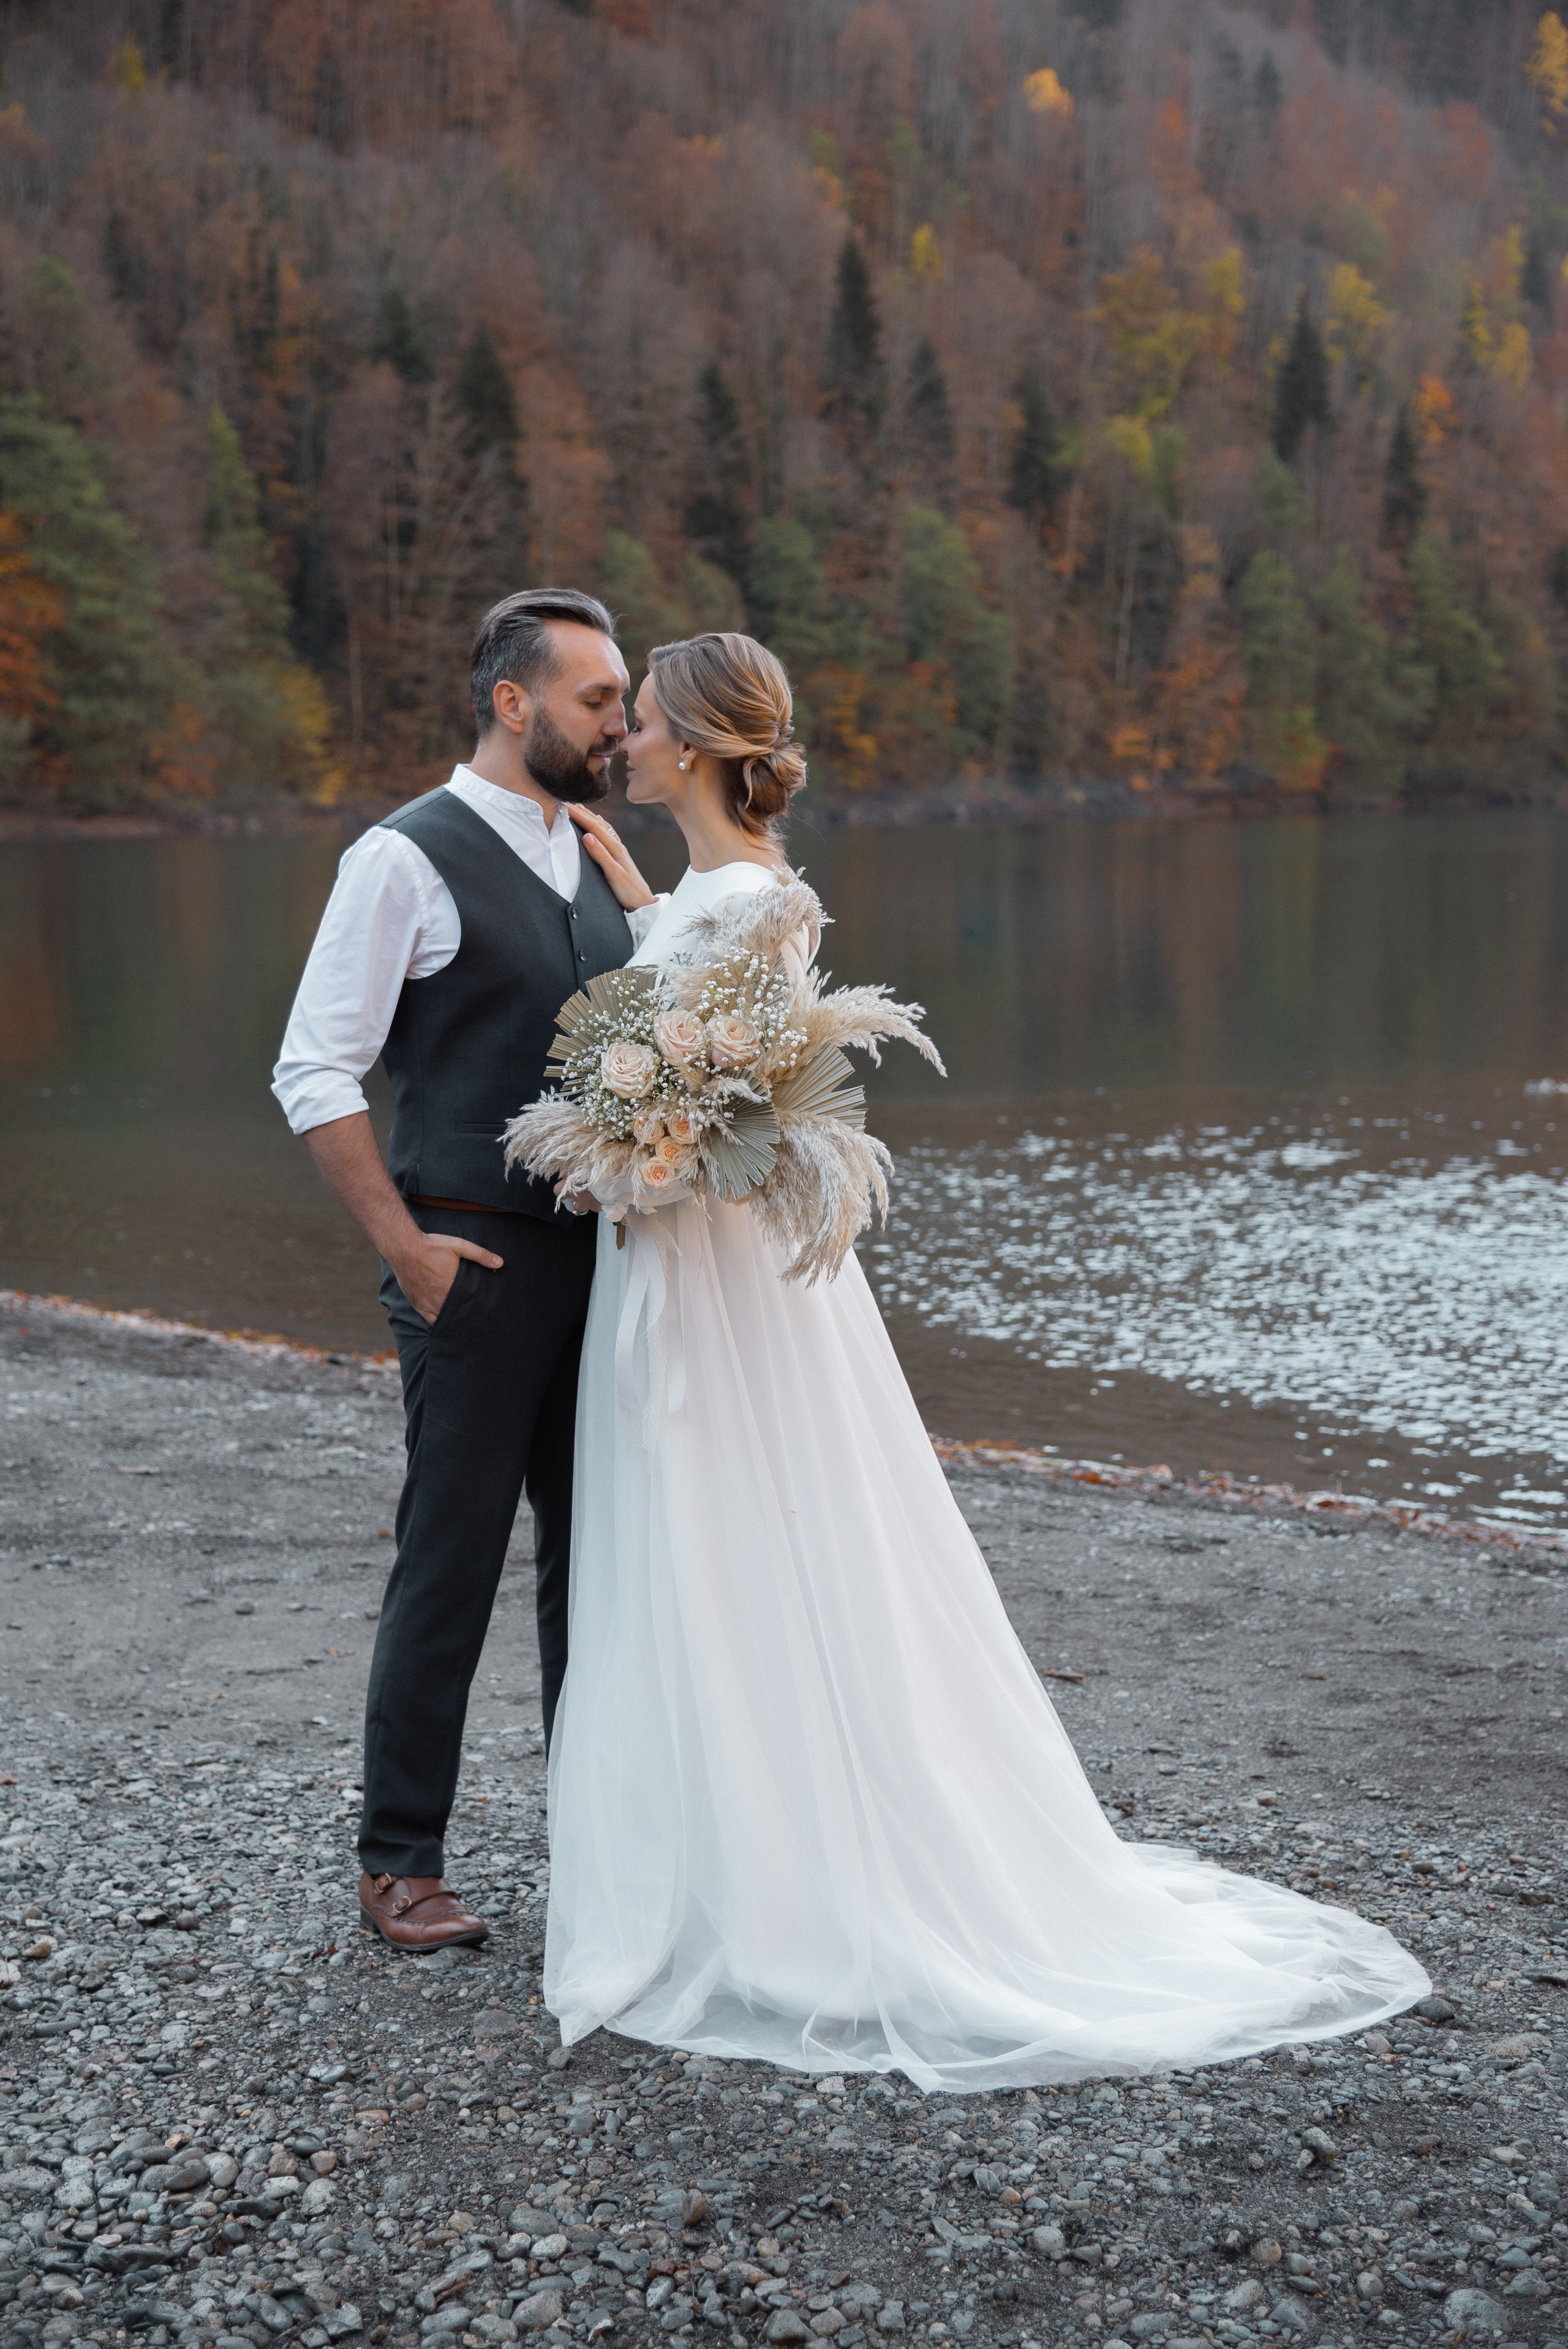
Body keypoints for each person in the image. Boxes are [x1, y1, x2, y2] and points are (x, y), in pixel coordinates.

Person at [545, 631, 1431, 2088]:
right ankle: (711, 1861)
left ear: (694, 747)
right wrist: (637, 907)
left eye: (638, 724)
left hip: (723, 1286)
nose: (622, 744)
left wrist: (636, 1159)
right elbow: (679, 993)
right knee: (690, 1546)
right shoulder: (706, 892)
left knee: (759, 1540)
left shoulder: (767, 902)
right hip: (673, 1280)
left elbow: (723, 1121)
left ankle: (804, 1897)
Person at [273, 587, 660, 1952]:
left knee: (596, 1564)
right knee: (449, 1555)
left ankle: (597, 1840)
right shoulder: (403, 858)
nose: (620, 724)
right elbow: (312, 1067)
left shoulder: (598, 858)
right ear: (513, 704)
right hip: (472, 1263)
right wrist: (406, 1250)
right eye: (597, 700)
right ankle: (399, 1862)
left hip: (611, 1270)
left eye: (622, 704)